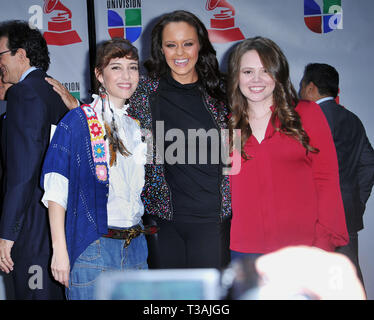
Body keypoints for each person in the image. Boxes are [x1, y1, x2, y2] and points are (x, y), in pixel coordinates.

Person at [40, 38, 149, 300]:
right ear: (99, 74)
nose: (126, 76)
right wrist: (60, 251)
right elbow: (56, 190)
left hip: (136, 247)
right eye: (116, 67)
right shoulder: (78, 121)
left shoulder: (136, 128)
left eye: (132, 67)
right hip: (94, 248)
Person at [227, 37, 348, 260]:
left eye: (265, 71)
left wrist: (323, 243)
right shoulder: (228, 125)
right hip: (245, 250)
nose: (256, 79)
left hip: (303, 248)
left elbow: (326, 180)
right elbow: (224, 189)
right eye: (247, 72)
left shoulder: (306, 114)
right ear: (236, 76)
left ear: (278, 74)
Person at [127, 10, 232, 269]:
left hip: (213, 221)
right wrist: (77, 107)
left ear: (200, 45)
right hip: (162, 221)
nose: (180, 53)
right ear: (160, 49)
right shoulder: (143, 93)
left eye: (188, 43)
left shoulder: (223, 93)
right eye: (171, 45)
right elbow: (110, 119)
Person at [0, 20, 68, 299]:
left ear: (21, 54)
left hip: (32, 227)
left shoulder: (24, 92)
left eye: (0, 55)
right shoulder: (55, 92)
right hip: (56, 224)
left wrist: (7, 232)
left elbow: (22, 171)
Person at [299, 63, 374, 284]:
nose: (300, 91)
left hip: (312, 216)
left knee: (310, 282)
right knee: (349, 280)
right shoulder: (353, 120)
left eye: (302, 86)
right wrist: (356, 201)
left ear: (311, 87)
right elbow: (369, 163)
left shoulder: (302, 119)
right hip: (347, 213)